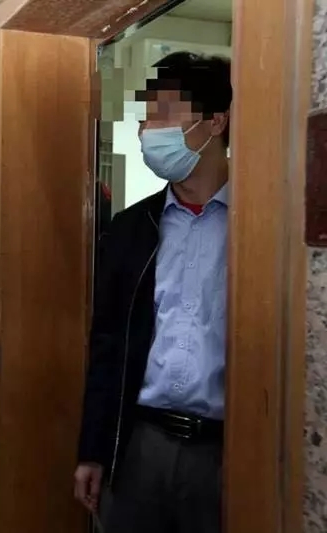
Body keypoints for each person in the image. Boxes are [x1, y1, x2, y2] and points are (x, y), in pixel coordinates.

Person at [74, 52, 232, 533]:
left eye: (162, 113)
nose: (146, 129)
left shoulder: (263, 226)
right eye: (145, 116)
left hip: (227, 454)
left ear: (215, 122)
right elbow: (107, 345)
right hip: (140, 445)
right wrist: (93, 451)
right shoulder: (131, 229)